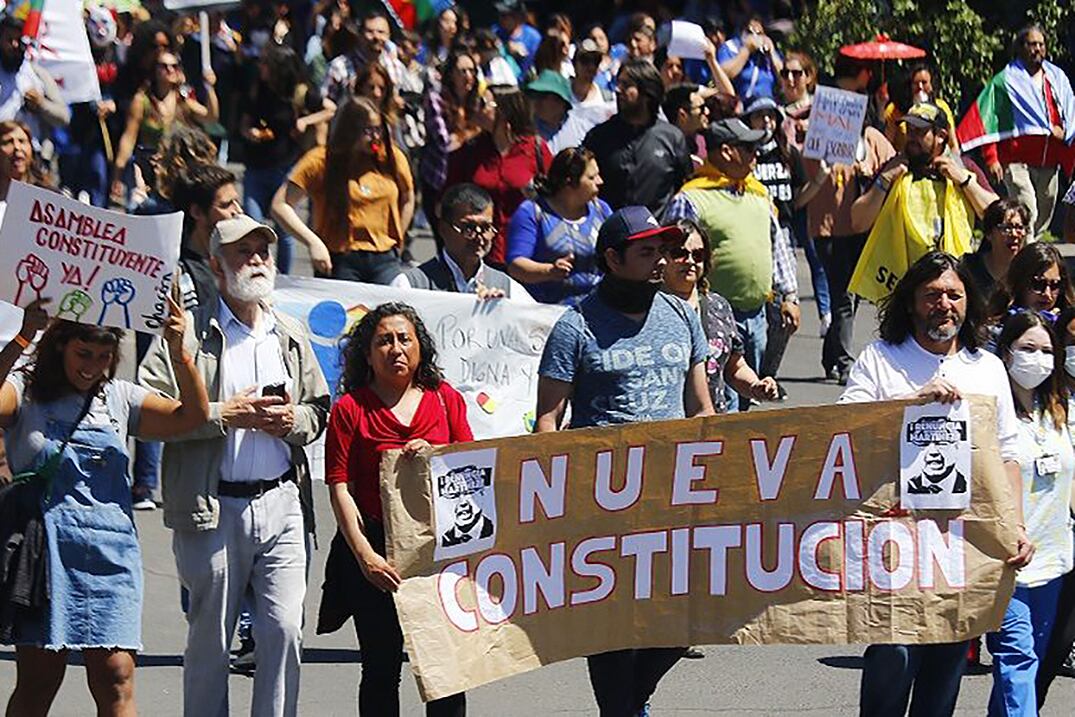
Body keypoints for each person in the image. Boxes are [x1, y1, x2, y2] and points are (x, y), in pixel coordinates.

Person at [139, 215, 330, 717]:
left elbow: (319, 409)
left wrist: (291, 420)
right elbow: (149, 410)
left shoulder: (286, 333)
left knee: (285, 630)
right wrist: (227, 414)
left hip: (282, 501)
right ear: (217, 268)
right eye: (242, 253)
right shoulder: (185, 336)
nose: (257, 261)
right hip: (212, 506)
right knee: (210, 642)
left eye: (262, 251)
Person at [535, 205, 714, 715]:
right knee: (613, 627)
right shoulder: (575, 328)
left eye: (663, 250)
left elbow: (701, 406)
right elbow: (548, 421)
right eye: (647, 251)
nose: (661, 261)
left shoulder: (681, 314)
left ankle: (628, 705)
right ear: (613, 258)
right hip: (603, 502)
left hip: (676, 494)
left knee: (685, 621)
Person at [839, 251, 1033, 717]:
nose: (943, 304)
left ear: (969, 304)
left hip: (962, 547)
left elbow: (1008, 454)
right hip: (895, 544)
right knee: (894, 654)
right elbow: (844, 429)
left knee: (947, 664)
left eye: (954, 294)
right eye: (932, 295)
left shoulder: (986, 368)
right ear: (911, 303)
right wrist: (911, 402)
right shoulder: (881, 359)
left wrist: (1016, 526)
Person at [2, 301, 209, 715]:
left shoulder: (120, 397)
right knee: (40, 678)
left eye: (103, 357)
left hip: (111, 555)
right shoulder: (25, 389)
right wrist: (24, 337)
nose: (92, 367)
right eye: (83, 354)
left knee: (115, 675)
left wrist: (179, 350)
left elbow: (193, 417)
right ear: (60, 347)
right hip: (46, 556)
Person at [318, 303, 472, 716]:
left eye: (405, 338)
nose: (396, 348)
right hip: (375, 554)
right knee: (381, 670)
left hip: (437, 556)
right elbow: (339, 487)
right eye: (384, 340)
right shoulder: (351, 409)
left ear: (420, 347)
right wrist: (365, 556)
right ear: (367, 354)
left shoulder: (445, 401)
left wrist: (438, 454)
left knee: (445, 673)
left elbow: (472, 469)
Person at [665, 117, 799, 410]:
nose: (756, 156)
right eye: (748, 148)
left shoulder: (759, 193)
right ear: (727, 151)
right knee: (712, 391)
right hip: (707, 313)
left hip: (756, 315)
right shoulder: (692, 198)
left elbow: (778, 246)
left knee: (745, 388)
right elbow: (671, 254)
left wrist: (789, 295)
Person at [986, 310, 1073, 715]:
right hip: (1009, 562)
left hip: (1053, 560)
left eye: (1046, 350)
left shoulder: (1060, 410)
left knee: (1029, 665)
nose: (1037, 358)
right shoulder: (989, 412)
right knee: (1016, 659)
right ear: (1006, 353)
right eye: (1027, 349)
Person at [802, 57, 896, 383]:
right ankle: (844, 363)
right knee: (843, 295)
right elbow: (810, 174)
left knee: (850, 298)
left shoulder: (871, 138)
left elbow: (894, 165)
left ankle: (831, 355)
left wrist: (869, 172)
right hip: (828, 229)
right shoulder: (822, 138)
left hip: (860, 228)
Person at [850, 102, 999, 301]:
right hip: (904, 290)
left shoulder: (963, 168)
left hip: (952, 286)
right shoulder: (892, 169)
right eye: (909, 131)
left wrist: (964, 181)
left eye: (920, 132)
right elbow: (858, 222)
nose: (911, 138)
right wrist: (884, 180)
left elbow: (998, 216)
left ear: (941, 136)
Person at [273, 95, 414, 283]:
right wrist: (313, 242)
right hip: (339, 260)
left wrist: (399, 237)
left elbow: (408, 195)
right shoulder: (321, 160)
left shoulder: (390, 157)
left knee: (394, 308)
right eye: (369, 130)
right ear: (350, 130)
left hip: (385, 259)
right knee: (350, 312)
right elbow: (280, 205)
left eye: (379, 129)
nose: (376, 137)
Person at [958, 24, 1075, 238]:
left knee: (1043, 215)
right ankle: (1027, 262)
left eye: (1041, 44)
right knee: (1027, 206)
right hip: (1015, 162)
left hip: (1049, 161)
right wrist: (991, 158)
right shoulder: (1006, 82)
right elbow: (991, 120)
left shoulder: (1057, 80)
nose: (1037, 49)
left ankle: (1024, 249)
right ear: (1021, 48)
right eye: (1032, 44)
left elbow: (1068, 117)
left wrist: (1065, 136)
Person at [662, 217, 780, 412]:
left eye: (698, 255)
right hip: (664, 426)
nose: (690, 261)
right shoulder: (648, 308)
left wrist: (755, 386)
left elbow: (735, 366)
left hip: (712, 425)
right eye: (679, 253)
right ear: (661, 258)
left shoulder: (718, 306)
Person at [240, 43, 334, 275]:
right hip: (255, 167)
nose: (261, 68)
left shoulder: (299, 92)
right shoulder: (258, 88)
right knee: (253, 225)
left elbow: (331, 109)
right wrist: (248, 132)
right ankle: (259, 272)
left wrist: (305, 121)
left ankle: (283, 278)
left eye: (265, 64)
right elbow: (245, 119)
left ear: (278, 68)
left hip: (284, 167)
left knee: (285, 231)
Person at [444, 87, 552, 267]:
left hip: (526, 253)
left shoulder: (536, 150)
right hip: (479, 253)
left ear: (504, 112)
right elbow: (450, 198)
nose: (477, 108)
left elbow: (556, 197)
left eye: (484, 104)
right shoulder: (471, 150)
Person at [583, 59, 692, 216]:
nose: (618, 90)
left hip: (657, 235)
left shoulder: (672, 138)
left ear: (648, 92)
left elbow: (685, 188)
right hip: (612, 233)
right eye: (618, 83)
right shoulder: (599, 137)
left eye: (626, 85)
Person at [507, 146, 612, 306]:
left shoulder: (602, 210)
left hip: (597, 311)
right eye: (591, 178)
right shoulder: (533, 213)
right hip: (546, 313)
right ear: (569, 182)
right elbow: (516, 265)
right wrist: (549, 271)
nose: (600, 182)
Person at [392, 183, 532, 300]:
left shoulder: (507, 288)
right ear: (443, 229)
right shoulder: (409, 285)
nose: (479, 236)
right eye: (468, 228)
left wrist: (501, 311)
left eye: (485, 228)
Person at [112, 49, 218, 204]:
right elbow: (129, 138)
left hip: (173, 172)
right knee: (141, 210)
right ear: (155, 70)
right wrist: (118, 175)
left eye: (174, 66)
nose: (170, 70)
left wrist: (210, 88)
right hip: (146, 168)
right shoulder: (142, 101)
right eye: (164, 66)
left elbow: (211, 117)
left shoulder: (183, 101)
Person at [420, 48, 482, 233]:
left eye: (472, 71)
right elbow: (445, 142)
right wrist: (472, 133)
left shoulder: (478, 103)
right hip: (440, 179)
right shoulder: (436, 99)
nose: (468, 76)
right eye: (462, 71)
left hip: (469, 181)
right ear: (451, 75)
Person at [0, 14, 70, 144]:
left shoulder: (38, 74)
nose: (15, 45)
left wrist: (41, 104)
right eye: (9, 40)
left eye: (19, 40)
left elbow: (63, 117)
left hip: (31, 155)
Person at [322, 10, 406, 105]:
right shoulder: (339, 66)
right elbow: (326, 101)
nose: (376, 36)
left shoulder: (397, 67)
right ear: (360, 35)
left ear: (388, 36)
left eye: (381, 32)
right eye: (370, 32)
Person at [988, 242, 1075, 325]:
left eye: (1055, 285)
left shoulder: (1068, 328)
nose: (1047, 294)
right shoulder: (997, 330)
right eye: (1038, 284)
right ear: (1020, 283)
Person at [961, 199, 1031, 300]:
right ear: (989, 233)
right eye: (1006, 228)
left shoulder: (1030, 270)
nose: (1014, 234)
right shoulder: (968, 268)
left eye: (1019, 228)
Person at [525, 70, 595, 155]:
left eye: (542, 96)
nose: (536, 101)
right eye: (533, 95)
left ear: (560, 101)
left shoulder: (583, 130)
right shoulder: (527, 131)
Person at [717, 16, 783, 102]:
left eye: (759, 33)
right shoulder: (730, 47)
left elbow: (783, 79)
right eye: (751, 32)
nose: (755, 37)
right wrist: (746, 50)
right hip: (740, 104)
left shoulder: (770, 52)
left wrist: (771, 53)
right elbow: (724, 74)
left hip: (768, 103)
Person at [663, 83, 712, 167]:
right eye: (701, 108)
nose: (707, 112)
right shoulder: (666, 149)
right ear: (683, 115)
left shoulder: (706, 142)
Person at [570, 39, 616, 125]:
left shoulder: (607, 99)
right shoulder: (561, 94)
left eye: (596, 61)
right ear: (574, 64)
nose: (591, 66)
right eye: (585, 60)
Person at [494, 0, 541, 78]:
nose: (501, 19)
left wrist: (523, 54)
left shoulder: (533, 37)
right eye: (500, 15)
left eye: (505, 15)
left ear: (517, 16)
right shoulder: (496, 32)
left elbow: (537, 62)